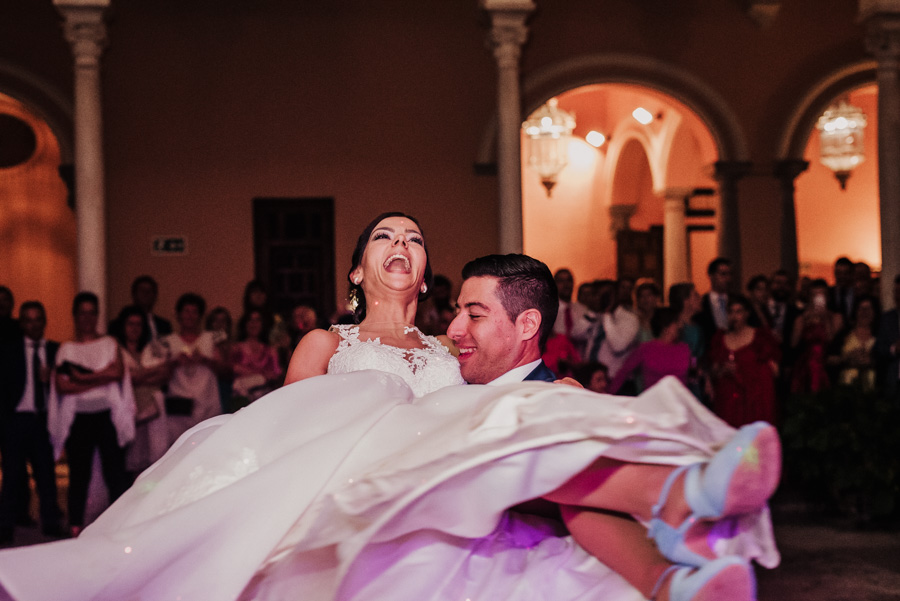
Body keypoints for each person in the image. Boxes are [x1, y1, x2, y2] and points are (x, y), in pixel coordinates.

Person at [0, 216, 779, 601]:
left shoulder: (453, 352)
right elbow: (277, 439)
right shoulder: (324, 342)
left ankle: (681, 530)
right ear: (357, 270)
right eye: (383, 235)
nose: (400, 239)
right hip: (354, 496)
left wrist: (553, 399)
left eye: (413, 235)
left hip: (443, 498)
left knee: (529, 433)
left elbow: (501, 404)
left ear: (426, 272)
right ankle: (685, 499)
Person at [50, 292, 135, 538]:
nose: (87, 318)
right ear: (75, 316)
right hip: (79, 418)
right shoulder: (66, 349)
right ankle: (75, 527)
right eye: (82, 313)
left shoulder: (109, 343)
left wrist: (81, 377)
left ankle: (120, 525)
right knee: (79, 474)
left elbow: (117, 373)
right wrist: (100, 377)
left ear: (97, 316)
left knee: (115, 473)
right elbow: (62, 386)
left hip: (107, 416)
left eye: (91, 313)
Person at [0, 301, 64, 543]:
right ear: (22, 323)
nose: (33, 325)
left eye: (37, 319)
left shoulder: (56, 350)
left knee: (46, 475)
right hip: (16, 420)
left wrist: (51, 380)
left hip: (43, 419)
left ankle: (51, 522)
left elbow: (69, 383)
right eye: (28, 320)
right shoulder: (9, 350)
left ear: (44, 322)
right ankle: (5, 525)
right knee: (11, 476)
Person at [112, 305, 170, 477]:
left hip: (154, 410)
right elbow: (125, 378)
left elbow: (164, 376)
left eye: (138, 324)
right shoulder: (116, 350)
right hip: (128, 411)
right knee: (131, 463)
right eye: (130, 324)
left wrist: (137, 376)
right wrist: (149, 373)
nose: (134, 328)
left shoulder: (151, 349)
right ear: (123, 326)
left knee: (154, 460)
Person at [160, 293, 225, 443]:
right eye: (186, 311)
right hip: (179, 404)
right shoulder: (168, 341)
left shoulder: (211, 338)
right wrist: (175, 363)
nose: (190, 316)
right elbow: (160, 376)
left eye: (194, 312)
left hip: (207, 401)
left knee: (208, 444)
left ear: (200, 316)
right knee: (179, 446)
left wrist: (205, 361)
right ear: (178, 315)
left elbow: (225, 370)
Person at [709, 295, 780, 428]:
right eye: (731, 312)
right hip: (728, 403)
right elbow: (714, 371)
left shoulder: (759, 337)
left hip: (753, 403)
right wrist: (724, 370)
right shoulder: (720, 339)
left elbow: (774, 371)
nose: (734, 316)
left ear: (747, 313)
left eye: (738, 312)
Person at [608, 306, 692, 394]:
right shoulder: (646, 349)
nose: (680, 326)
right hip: (654, 400)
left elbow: (693, 369)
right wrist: (608, 394)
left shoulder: (685, 348)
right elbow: (624, 371)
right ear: (665, 326)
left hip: (679, 401)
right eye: (676, 323)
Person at [230, 309, 283, 408]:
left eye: (257, 320)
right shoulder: (236, 348)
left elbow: (276, 374)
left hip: (265, 400)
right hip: (242, 400)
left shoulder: (270, 351)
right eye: (250, 320)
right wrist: (261, 373)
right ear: (245, 324)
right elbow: (233, 369)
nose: (254, 324)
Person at [827, 295, 878, 391]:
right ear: (855, 311)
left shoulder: (880, 335)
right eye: (861, 309)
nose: (864, 312)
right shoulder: (844, 334)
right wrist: (846, 359)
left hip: (873, 390)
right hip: (846, 389)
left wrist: (871, 361)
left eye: (868, 309)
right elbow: (828, 359)